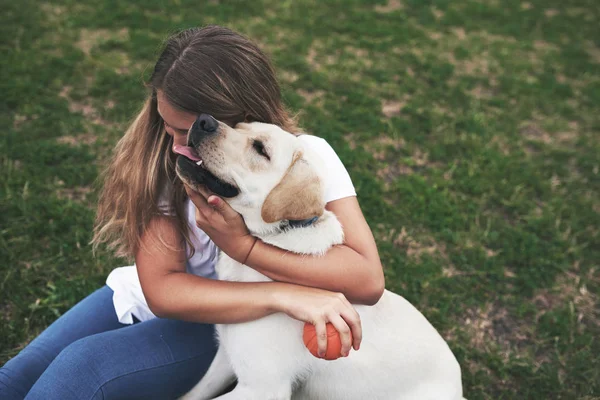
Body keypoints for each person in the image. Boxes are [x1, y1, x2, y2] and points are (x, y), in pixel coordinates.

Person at [0, 25, 385, 399]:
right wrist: (283, 294)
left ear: (242, 118)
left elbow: (366, 279)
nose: (178, 146)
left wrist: (245, 250)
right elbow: (162, 290)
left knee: (80, 368)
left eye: (191, 132)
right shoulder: (165, 158)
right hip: (155, 296)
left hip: (220, 325)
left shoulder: (301, 160)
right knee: (14, 380)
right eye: (169, 127)